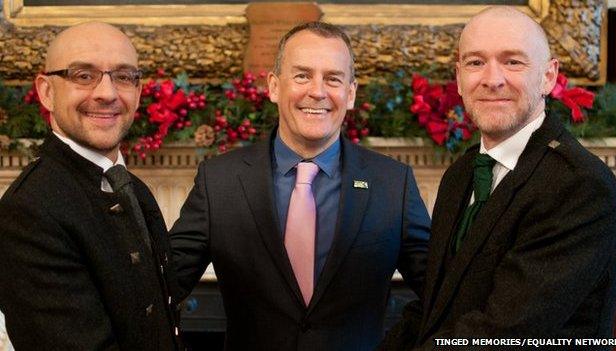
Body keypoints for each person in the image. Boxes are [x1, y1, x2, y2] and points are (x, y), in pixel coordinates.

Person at [169, 21, 431, 351]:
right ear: (274, 86)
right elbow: (157, 292)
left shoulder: (393, 184)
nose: (317, 91)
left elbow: (444, 294)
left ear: (350, 94)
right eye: (302, 75)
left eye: (333, 79)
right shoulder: (219, 181)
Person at [380, 6, 616, 350]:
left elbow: (503, 333)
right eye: (476, 62)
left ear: (548, 76)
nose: (492, 79)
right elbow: (436, 307)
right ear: (460, 77)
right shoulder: (461, 174)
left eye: (513, 62)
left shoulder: (579, 185)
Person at [0, 22, 181, 350]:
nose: (107, 93)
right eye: (84, 76)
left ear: (138, 92)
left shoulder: (131, 187)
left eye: (124, 77)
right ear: (46, 91)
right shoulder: (28, 210)